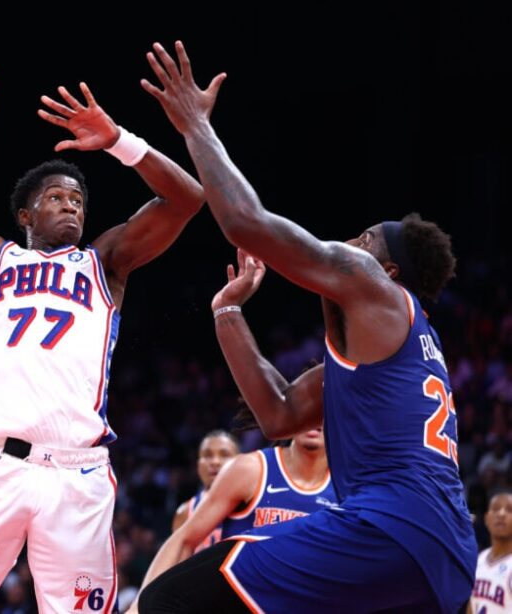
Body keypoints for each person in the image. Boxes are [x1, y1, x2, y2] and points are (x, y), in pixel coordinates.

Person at [135, 41, 477, 612]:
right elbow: (279, 414)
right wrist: (228, 312)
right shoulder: (395, 355)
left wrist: (196, 126)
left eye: (366, 239)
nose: (350, 243)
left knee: (173, 598)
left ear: (388, 269)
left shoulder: (375, 286)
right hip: (443, 557)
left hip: (391, 528)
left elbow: (245, 221)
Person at [0, 40, 205, 613]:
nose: (71, 206)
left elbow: (186, 199)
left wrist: (120, 141)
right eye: (56, 197)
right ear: (25, 216)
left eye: (77, 198)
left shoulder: (106, 262)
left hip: (78, 475)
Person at [127, 254, 337, 614]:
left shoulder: (351, 485)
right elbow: (183, 541)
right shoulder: (250, 471)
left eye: (326, 411)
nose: (316, 420)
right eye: (311, 409)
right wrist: (139, 609)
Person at [171, 429, 240, 540]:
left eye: (224, 455)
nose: (215, 462)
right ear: (198, 465)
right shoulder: (184, 513)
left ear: (240, 462)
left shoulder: (256, 507)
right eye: (207, 456)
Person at [470, 491, 512, 613]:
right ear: (487, 519)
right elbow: (472, 606)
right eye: (496, 509)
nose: (501, 514)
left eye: (509, 510)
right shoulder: (480, 559)